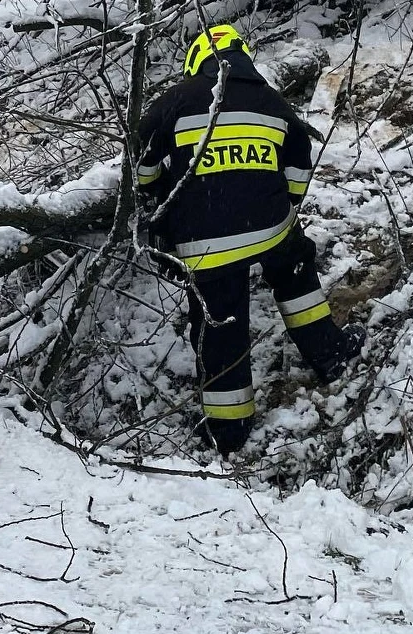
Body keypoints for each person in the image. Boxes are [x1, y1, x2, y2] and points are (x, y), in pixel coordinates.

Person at [134, 24, 364, 455]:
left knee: (221, 325)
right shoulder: (271, 101)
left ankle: (229, 430)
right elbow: (298, 165)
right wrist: (284, 208)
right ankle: (331, 354)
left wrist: (158, 191)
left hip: (205, 243)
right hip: (272, 228)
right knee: (296, 276)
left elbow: (140, 160)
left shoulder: (176, 100)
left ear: (197, 60)